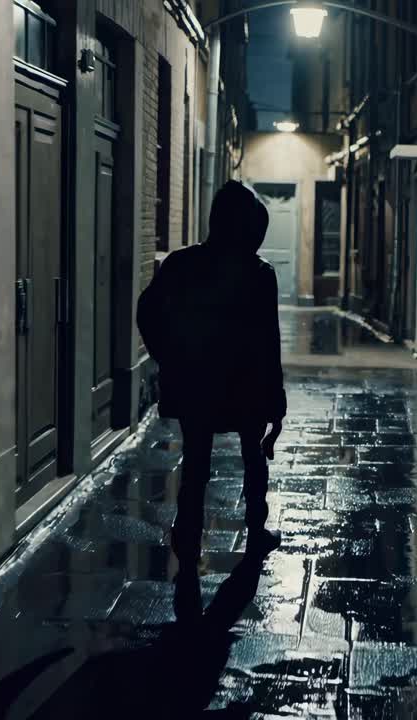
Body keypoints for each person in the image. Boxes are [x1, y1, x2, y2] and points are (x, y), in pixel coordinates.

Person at [136, 181, 286, 564]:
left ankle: (187, 539)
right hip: (246, 387)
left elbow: (147, 310)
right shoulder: (259, 273)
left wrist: (168, 358)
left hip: (196, 385)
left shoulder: (182, 263)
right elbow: (269, 342)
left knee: (196, 465)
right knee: (253, 460)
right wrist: (276, 403)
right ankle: (256, 530)